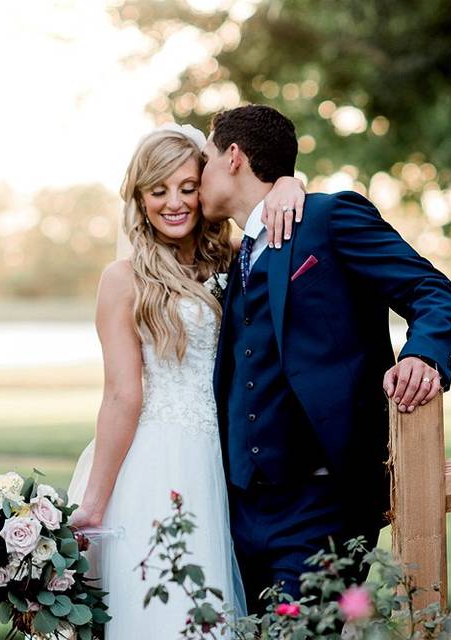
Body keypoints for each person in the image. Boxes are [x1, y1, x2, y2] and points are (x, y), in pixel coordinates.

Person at [199, 104, 451, 612]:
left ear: (234, 156)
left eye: (206, 158)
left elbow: (432, 291)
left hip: (321, 503)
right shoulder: (239, 255)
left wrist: (423, 357)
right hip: (241, 509)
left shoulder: (328, 218)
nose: (199, 172)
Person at [67, 122, 305, 637]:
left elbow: (270, 208)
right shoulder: (123, 279)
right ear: (140, 197)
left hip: (231, 457)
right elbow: (121, 396)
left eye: (187, 187)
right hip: (159, 464)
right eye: (159, 190)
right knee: (168, 607)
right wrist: (95, 502)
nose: (174, 202)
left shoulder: (235, 258)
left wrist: (290, 183)